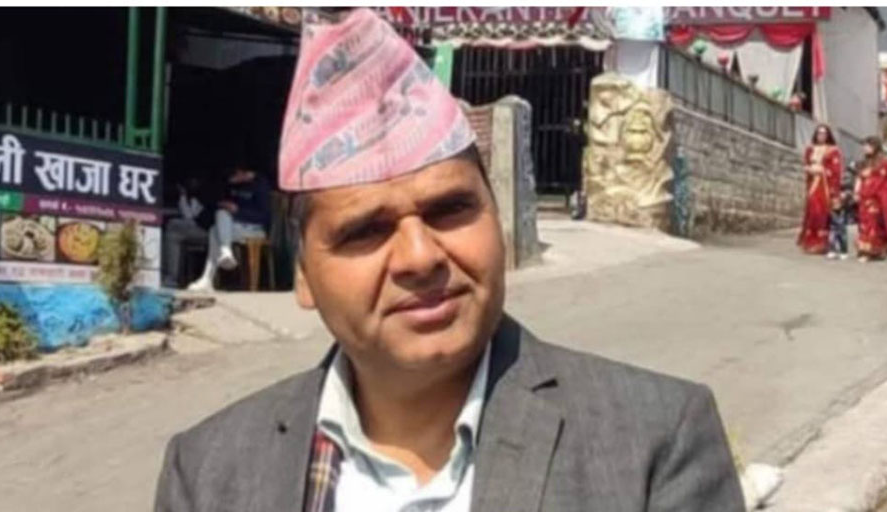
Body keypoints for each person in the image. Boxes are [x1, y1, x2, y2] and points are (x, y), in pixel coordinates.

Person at [156, 8, 744, 512]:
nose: (420, 257)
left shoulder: (652, 445)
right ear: (304, 275)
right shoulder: (210, 474)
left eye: (450, 210)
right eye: (366, 231)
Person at [186, 165, 271, 292]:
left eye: (234, 176)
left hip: (255, 229)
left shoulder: (260, 185)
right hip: (234, 226)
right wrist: (225, 204)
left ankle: (208, 276)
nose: (232, 181)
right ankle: (225, 252)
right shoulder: (235, 185)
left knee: (216, 230)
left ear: (243, 173)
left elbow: (263, 217)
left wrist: (238, 211)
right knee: (217, 222)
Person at [797, 124, 843, 255]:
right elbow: (806, 164)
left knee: (821, 212)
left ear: (828, 135)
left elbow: (836, 170)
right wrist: (809, 169)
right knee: (812, 211)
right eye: (819, 133)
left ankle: (822, 243)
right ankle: (810, 241)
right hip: (813, 184)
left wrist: (822, 171)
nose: (821, 135)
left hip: (825, 186)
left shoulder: (833, 151)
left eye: (824, 133)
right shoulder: (810, 149)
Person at [161, 177, 214, 289]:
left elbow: (189, 216)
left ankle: (171, 278)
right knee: (171, 230)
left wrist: (183, 196)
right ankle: (170, 277)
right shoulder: (192, 196)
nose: (192, 184)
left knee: (172, 227)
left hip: (208, 232)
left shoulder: (203, 196)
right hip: (199, 227)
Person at [854, 136, 887, 262]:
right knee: (864, 223)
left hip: (878, 198)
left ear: (875, 146)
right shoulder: (864, 162)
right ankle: (865, 250)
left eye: (867, 146)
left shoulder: (885, 162)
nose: (865, 148)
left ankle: (874, 251)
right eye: (864, 146)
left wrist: (875, 190)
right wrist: (857, 192)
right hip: (864, 197)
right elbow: (859, 178)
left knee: (875, 224)